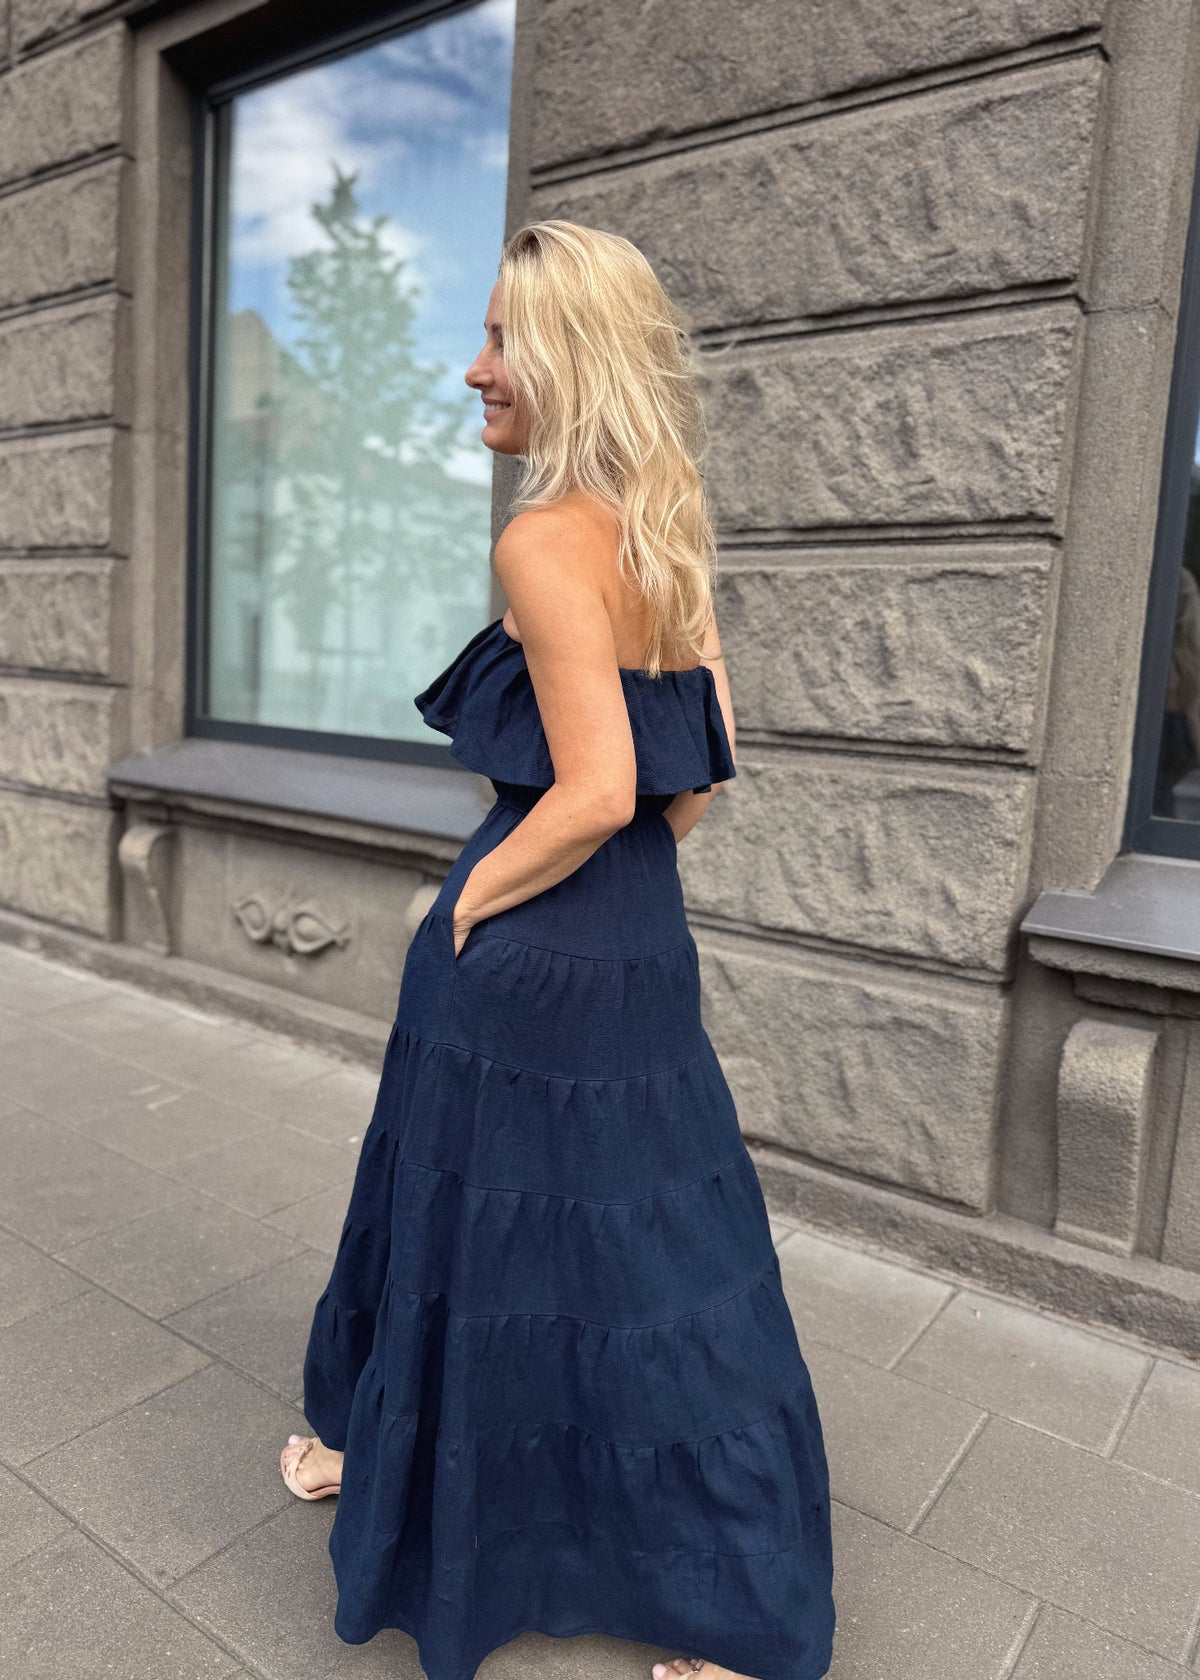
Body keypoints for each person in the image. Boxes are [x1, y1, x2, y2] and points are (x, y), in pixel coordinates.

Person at [281, 219, 836, 1680]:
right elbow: (691, 787)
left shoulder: (541, 541)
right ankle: (727, 1589)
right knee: (656, 1252)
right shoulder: (670, 525)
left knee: (480, 1224)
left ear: (573, 357)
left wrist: (463, 908)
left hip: (527, 945)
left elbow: (588, 791)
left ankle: (415, 1481)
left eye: (501, 342)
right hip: (641, 944)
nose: (475, 371)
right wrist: (614, 904)